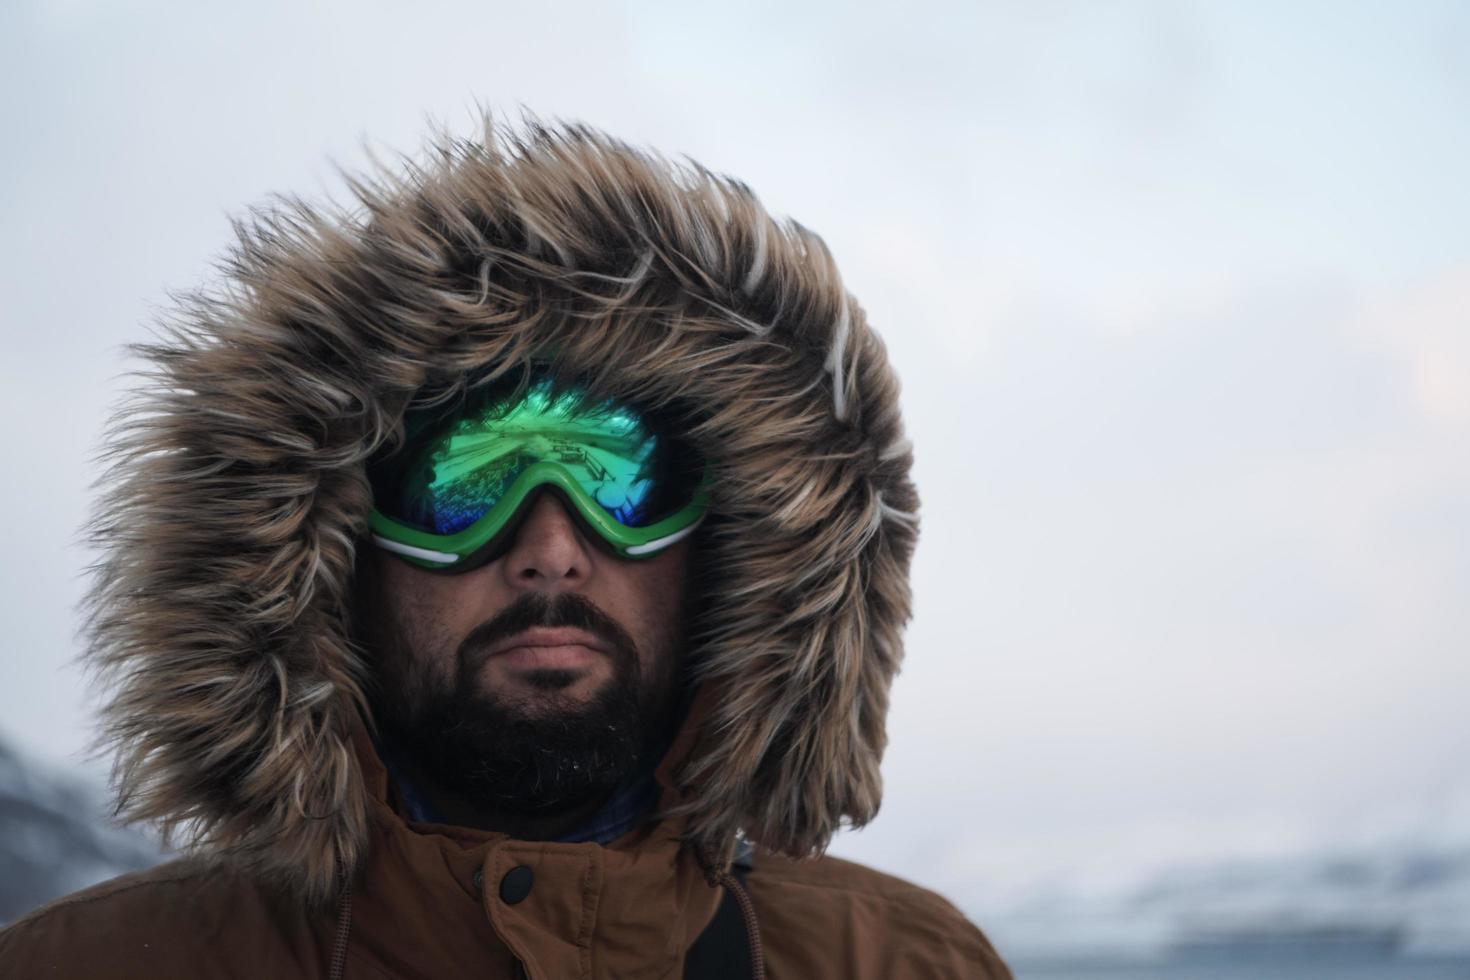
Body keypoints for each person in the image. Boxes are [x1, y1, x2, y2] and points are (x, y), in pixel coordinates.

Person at [0, 118, 1012, 979]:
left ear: (737, 549)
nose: (551, 551)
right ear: (335, 553)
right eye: (460, 481)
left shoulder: (897, 960)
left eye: (623, 476)